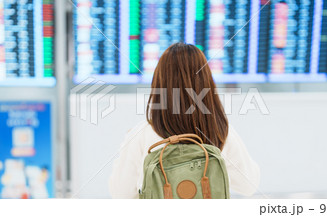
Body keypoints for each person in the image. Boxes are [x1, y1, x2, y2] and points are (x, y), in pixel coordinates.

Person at [109, 42, 260, 198]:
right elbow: (249, 185)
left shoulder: (140, 135)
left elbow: (121, 194)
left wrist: (125, 145)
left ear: (159, 84)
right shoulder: (221, 132)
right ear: (206, 83)